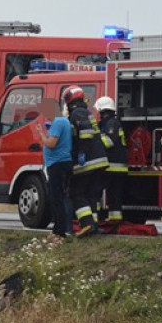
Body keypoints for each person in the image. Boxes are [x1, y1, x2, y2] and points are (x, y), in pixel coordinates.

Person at [64, 86, 108, 237]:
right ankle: (93, 227)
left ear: (69, 100)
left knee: (76, 193)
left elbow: (86, 133)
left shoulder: (78, 113)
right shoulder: (86, 112)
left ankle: (88, 224)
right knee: (91, 196)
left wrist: (81, 152)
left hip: (88, 162)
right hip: (99, 161)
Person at [36, 113, 73, 238]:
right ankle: (61, 228)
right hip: (62, 163)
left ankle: (59, 230)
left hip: (57, 164)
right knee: (60, 196)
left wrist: (41, 133)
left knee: (56, 197)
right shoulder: (64, 121)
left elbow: (51, 144)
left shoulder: (58, 122)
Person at [94, 96, 128, 225]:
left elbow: (109, 142)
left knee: (94, 191)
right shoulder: (113, 122)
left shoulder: (111, 124)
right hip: (118, 166)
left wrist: (97, 134)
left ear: (103, 110)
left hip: (110, 166)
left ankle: (93, 219)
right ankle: (115, 220)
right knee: (114, 195)